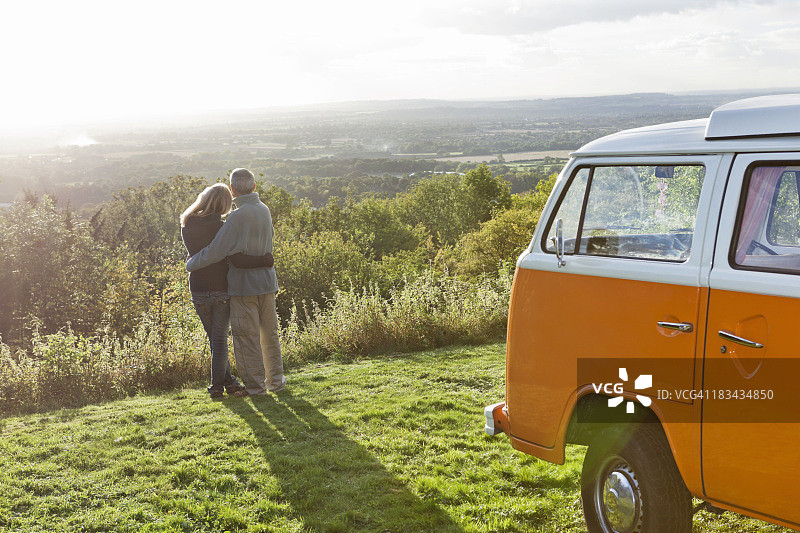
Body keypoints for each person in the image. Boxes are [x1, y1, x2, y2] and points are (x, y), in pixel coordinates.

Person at [185, 168, 286, 396]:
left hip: (244, 287)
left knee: (247, 339)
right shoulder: (264, 210)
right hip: (268, 283)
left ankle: (256, 387)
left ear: (232, 190)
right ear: (254, 186)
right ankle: (276, 382)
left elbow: (216, 250)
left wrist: (191, 264)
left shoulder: (236, 217)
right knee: (270, 336)